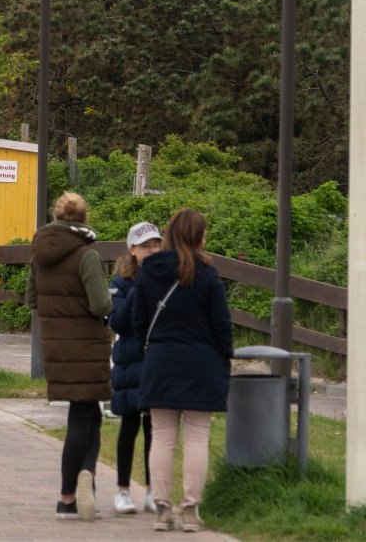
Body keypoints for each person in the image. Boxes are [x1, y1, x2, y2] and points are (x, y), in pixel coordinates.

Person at [131, 208, 232, 533]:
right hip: (201, 362)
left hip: (161, 359)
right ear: (199, 237)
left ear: (170, 234)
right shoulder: (207, 273)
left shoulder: (150, 271)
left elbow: (137, 319)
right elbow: (221, 324)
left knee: (161, 437)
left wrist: (151, 346)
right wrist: (225, 357)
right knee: (196, 438)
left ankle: (161, 508)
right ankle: (190, 510)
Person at [24, 192, 112, 521]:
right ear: (84, 218)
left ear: (56, 216)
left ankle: (76, 488)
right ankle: (70, 493)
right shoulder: (86, 255)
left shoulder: (39, 253)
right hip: (86, 345)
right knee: (83, 418)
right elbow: (100, 304)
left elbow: (32, 298)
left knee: (87, 414)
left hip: (57, 346)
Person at [108, 221, 162, 516]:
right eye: (145, 246)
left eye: (156, 245)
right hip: (130, 361)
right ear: (132, 249)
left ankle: (154, 490)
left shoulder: (166, 278)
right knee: (129, 425)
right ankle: (123, 490)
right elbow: (116, 321)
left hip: (156, 361)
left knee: (155, 428)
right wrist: (141, 289)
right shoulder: (121, 281)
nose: (152, 251)